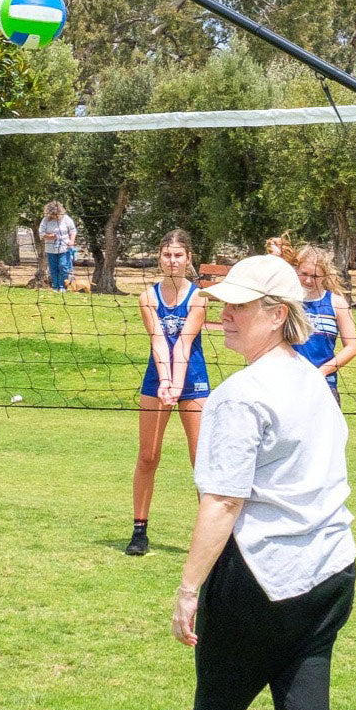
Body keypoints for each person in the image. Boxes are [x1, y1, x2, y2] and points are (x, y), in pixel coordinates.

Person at [172, 254, 356, 710]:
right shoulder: (312, 379)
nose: (224, 314)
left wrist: (189, 591)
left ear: (278, 313)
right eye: (222, 304)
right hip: (330, 573)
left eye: (239, 305)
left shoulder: (240, 396)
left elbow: (223, 501)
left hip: (262, 580)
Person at [126, 229, 211, 557]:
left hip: (193, 379)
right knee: (148, 456)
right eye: (166, 255)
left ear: (188, 258)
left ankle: (210, 538)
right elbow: (159, 341)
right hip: (157, 378)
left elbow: (185, 343)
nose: (172, 261)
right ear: (159, 257)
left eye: (178, 255)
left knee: (200, 461)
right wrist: (164, 382)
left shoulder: (199, 296)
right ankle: (139, 532)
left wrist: (176, 384)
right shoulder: (148, 297)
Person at [292, 245, 356, 406]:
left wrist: (320, 372)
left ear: (325, 275)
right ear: (296, 270)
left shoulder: (336, 303)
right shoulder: (287, 301)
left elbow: (352, 347)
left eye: (315, 276)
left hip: (323, 383)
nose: (308, 280)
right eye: (304, 274)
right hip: (288, 381)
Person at [39, 200, 78, 292]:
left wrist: (72, 241)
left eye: (57, 214)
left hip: (64, 248)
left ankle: (63, 286)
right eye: (53, 215)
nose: (56, 216)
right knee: (53, 268)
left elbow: (73, 230)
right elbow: (41, 233)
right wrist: (49, 236)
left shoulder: (66, 218)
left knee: (63, 266)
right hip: (50, 248)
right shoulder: (45, 220)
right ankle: (55, 286)